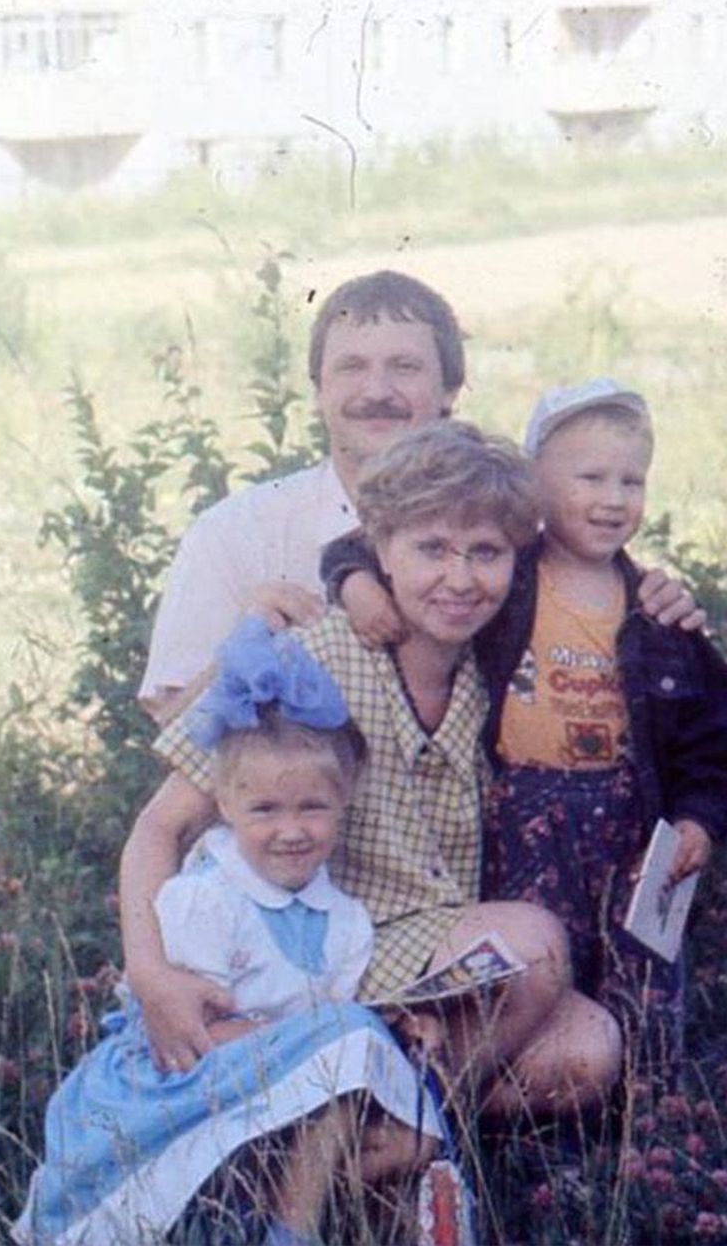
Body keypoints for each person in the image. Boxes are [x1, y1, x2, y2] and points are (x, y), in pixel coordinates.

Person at [122, 422, 623, 1123]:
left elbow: (601, 584)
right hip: (312, 955)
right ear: (380, 549)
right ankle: (399, 1128)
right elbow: (160, 826)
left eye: (486, 553)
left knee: (587, 1047)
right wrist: (150, 975)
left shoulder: (497, 663)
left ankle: (371, 1129)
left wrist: (661, 597)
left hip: (433, 953)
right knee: (533, 946)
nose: (460, 579)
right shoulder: (308, 657)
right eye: (431, 550)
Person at [325, 381, 727, 1082]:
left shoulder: (655, 610)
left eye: (631, 481)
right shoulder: (503, 575)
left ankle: (638, 1116)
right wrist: (354, 584)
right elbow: (373, 540)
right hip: (520, 817)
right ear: (535, 487)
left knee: (637, 970)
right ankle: (485, 1104)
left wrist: (699, 819)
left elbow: (720, 731)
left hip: (627, 820)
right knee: (533, 967)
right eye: (590, 478)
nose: (613, 499)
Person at [14, 618, 442, 1246]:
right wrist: (318, 1038)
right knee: (350, 1041)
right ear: (225, 804)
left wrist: (392, 1031)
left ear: (344, 801)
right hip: (178, 1075)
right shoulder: (208, 899)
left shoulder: (345, 921)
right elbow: (193, 1034)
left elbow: (325, 1035)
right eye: (265, 810)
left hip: (270, 1083)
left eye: (312, 808)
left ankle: (294, 1227)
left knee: (403, 1111)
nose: (290, 831)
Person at [139, 270, 702, 724]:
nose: (377, 391)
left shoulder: (504, 531)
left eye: (404, 367)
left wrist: (655, 601)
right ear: (317, 390)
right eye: (352, 367)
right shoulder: (235, 532)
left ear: (451, 389)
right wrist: (243, 651)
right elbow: (171, 727)